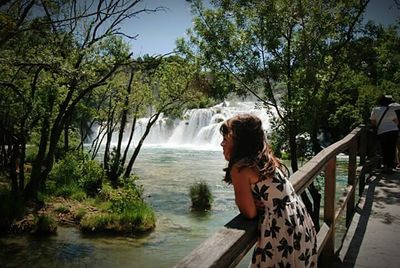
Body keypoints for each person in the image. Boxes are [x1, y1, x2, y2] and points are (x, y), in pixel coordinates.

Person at [220, 114, 317, 268]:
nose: (222, 143)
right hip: (299, 223)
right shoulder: (265, 159)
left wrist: (250, 204)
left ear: (239, 141)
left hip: (281, 231)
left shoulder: (240, 168)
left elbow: (249, 213)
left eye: (226, 139)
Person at [370, 95, 399, 172]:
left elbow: (373, 121)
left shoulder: (375, 109)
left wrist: (378, 125)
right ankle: (391, 167)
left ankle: (385, 166)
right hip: (393, 131)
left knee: (384, 148)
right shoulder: (391, 110)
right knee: (392, 148)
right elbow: (396, 121)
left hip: (382, 131)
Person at [389, 98, 400, 169]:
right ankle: (398, 163)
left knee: (392, 146)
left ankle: (394, 162)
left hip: (390, 129)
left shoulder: (388, 108)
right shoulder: (399, 106)